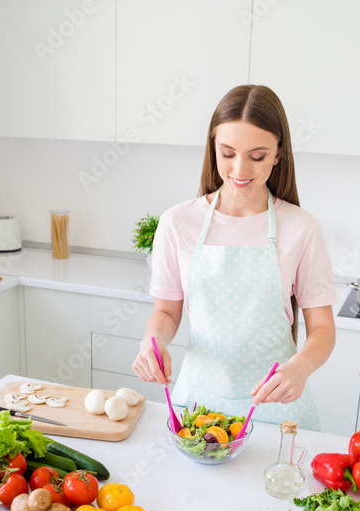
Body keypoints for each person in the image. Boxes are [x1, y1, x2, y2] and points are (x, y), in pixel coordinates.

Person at [131, 84, 337, 431]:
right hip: (197, 406)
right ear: (212, 147)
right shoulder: (177, 223)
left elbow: (323, 329)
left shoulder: (302, 228)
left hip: (277, 410)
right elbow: (166, 311)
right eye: (227, 153)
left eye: (257, 156)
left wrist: (300, 368)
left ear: (278, 154)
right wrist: (152, 343)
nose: (240, 169)